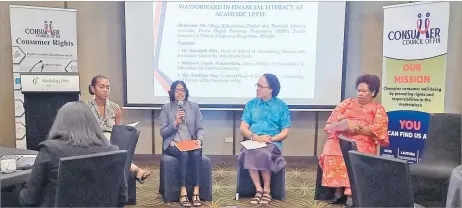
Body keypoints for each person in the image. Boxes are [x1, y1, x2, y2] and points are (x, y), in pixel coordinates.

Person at [19, 101, 127, 207]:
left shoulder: (50, 150)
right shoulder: (112, 151)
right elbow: (122, 197)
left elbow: (28, 199)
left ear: (59, 123)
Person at [319, 74, 389, 207]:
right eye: (359, 90)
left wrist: (357, 129)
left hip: (363, 139)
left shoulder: (378, 109)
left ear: (373, 92)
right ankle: (338, 192)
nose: (360, 94)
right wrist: (345, 124)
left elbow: (379, 128)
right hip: (341, 136)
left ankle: (351, 195)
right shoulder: (347, 103)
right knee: (331, 150)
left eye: (364, 91)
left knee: (353, 154)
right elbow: (335, 116)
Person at [86, 75, 151, 183]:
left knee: (116, 147)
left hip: (112, 142)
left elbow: (118, 130)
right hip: (93, 141)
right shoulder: (86, 107)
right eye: (102, 87)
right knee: (113, 149)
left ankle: (133, 173)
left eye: (108, 87)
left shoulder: (115, 107)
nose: (105, 90)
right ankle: (136, 171)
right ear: (93, 89)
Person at [239, 73, 291, 205]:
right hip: (254, 140)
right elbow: (243, 128)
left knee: (264, 152)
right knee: (248, 151)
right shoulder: (251, 105)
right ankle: (259, 189)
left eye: (261, 86)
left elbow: (285, 132)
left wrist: (271, 139)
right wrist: (255, 137)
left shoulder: (281, 106)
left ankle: (267, 190)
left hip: (272, 142)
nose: (257, 89)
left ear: (271, 89)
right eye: (257, 85)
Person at [159, 80, 204, 207]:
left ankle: (196, 190)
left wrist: (199, 140)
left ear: (186, 92)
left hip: (190, 142)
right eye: (177, 90)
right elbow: (163, 132)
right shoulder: (166, 108)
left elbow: (200, 128)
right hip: (173, 144)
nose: (180, 93)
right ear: (172, 92)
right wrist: (175, 122)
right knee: (183, 154)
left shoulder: (194, 107)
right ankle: (182, 190)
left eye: (182, 90)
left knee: (196, 153)